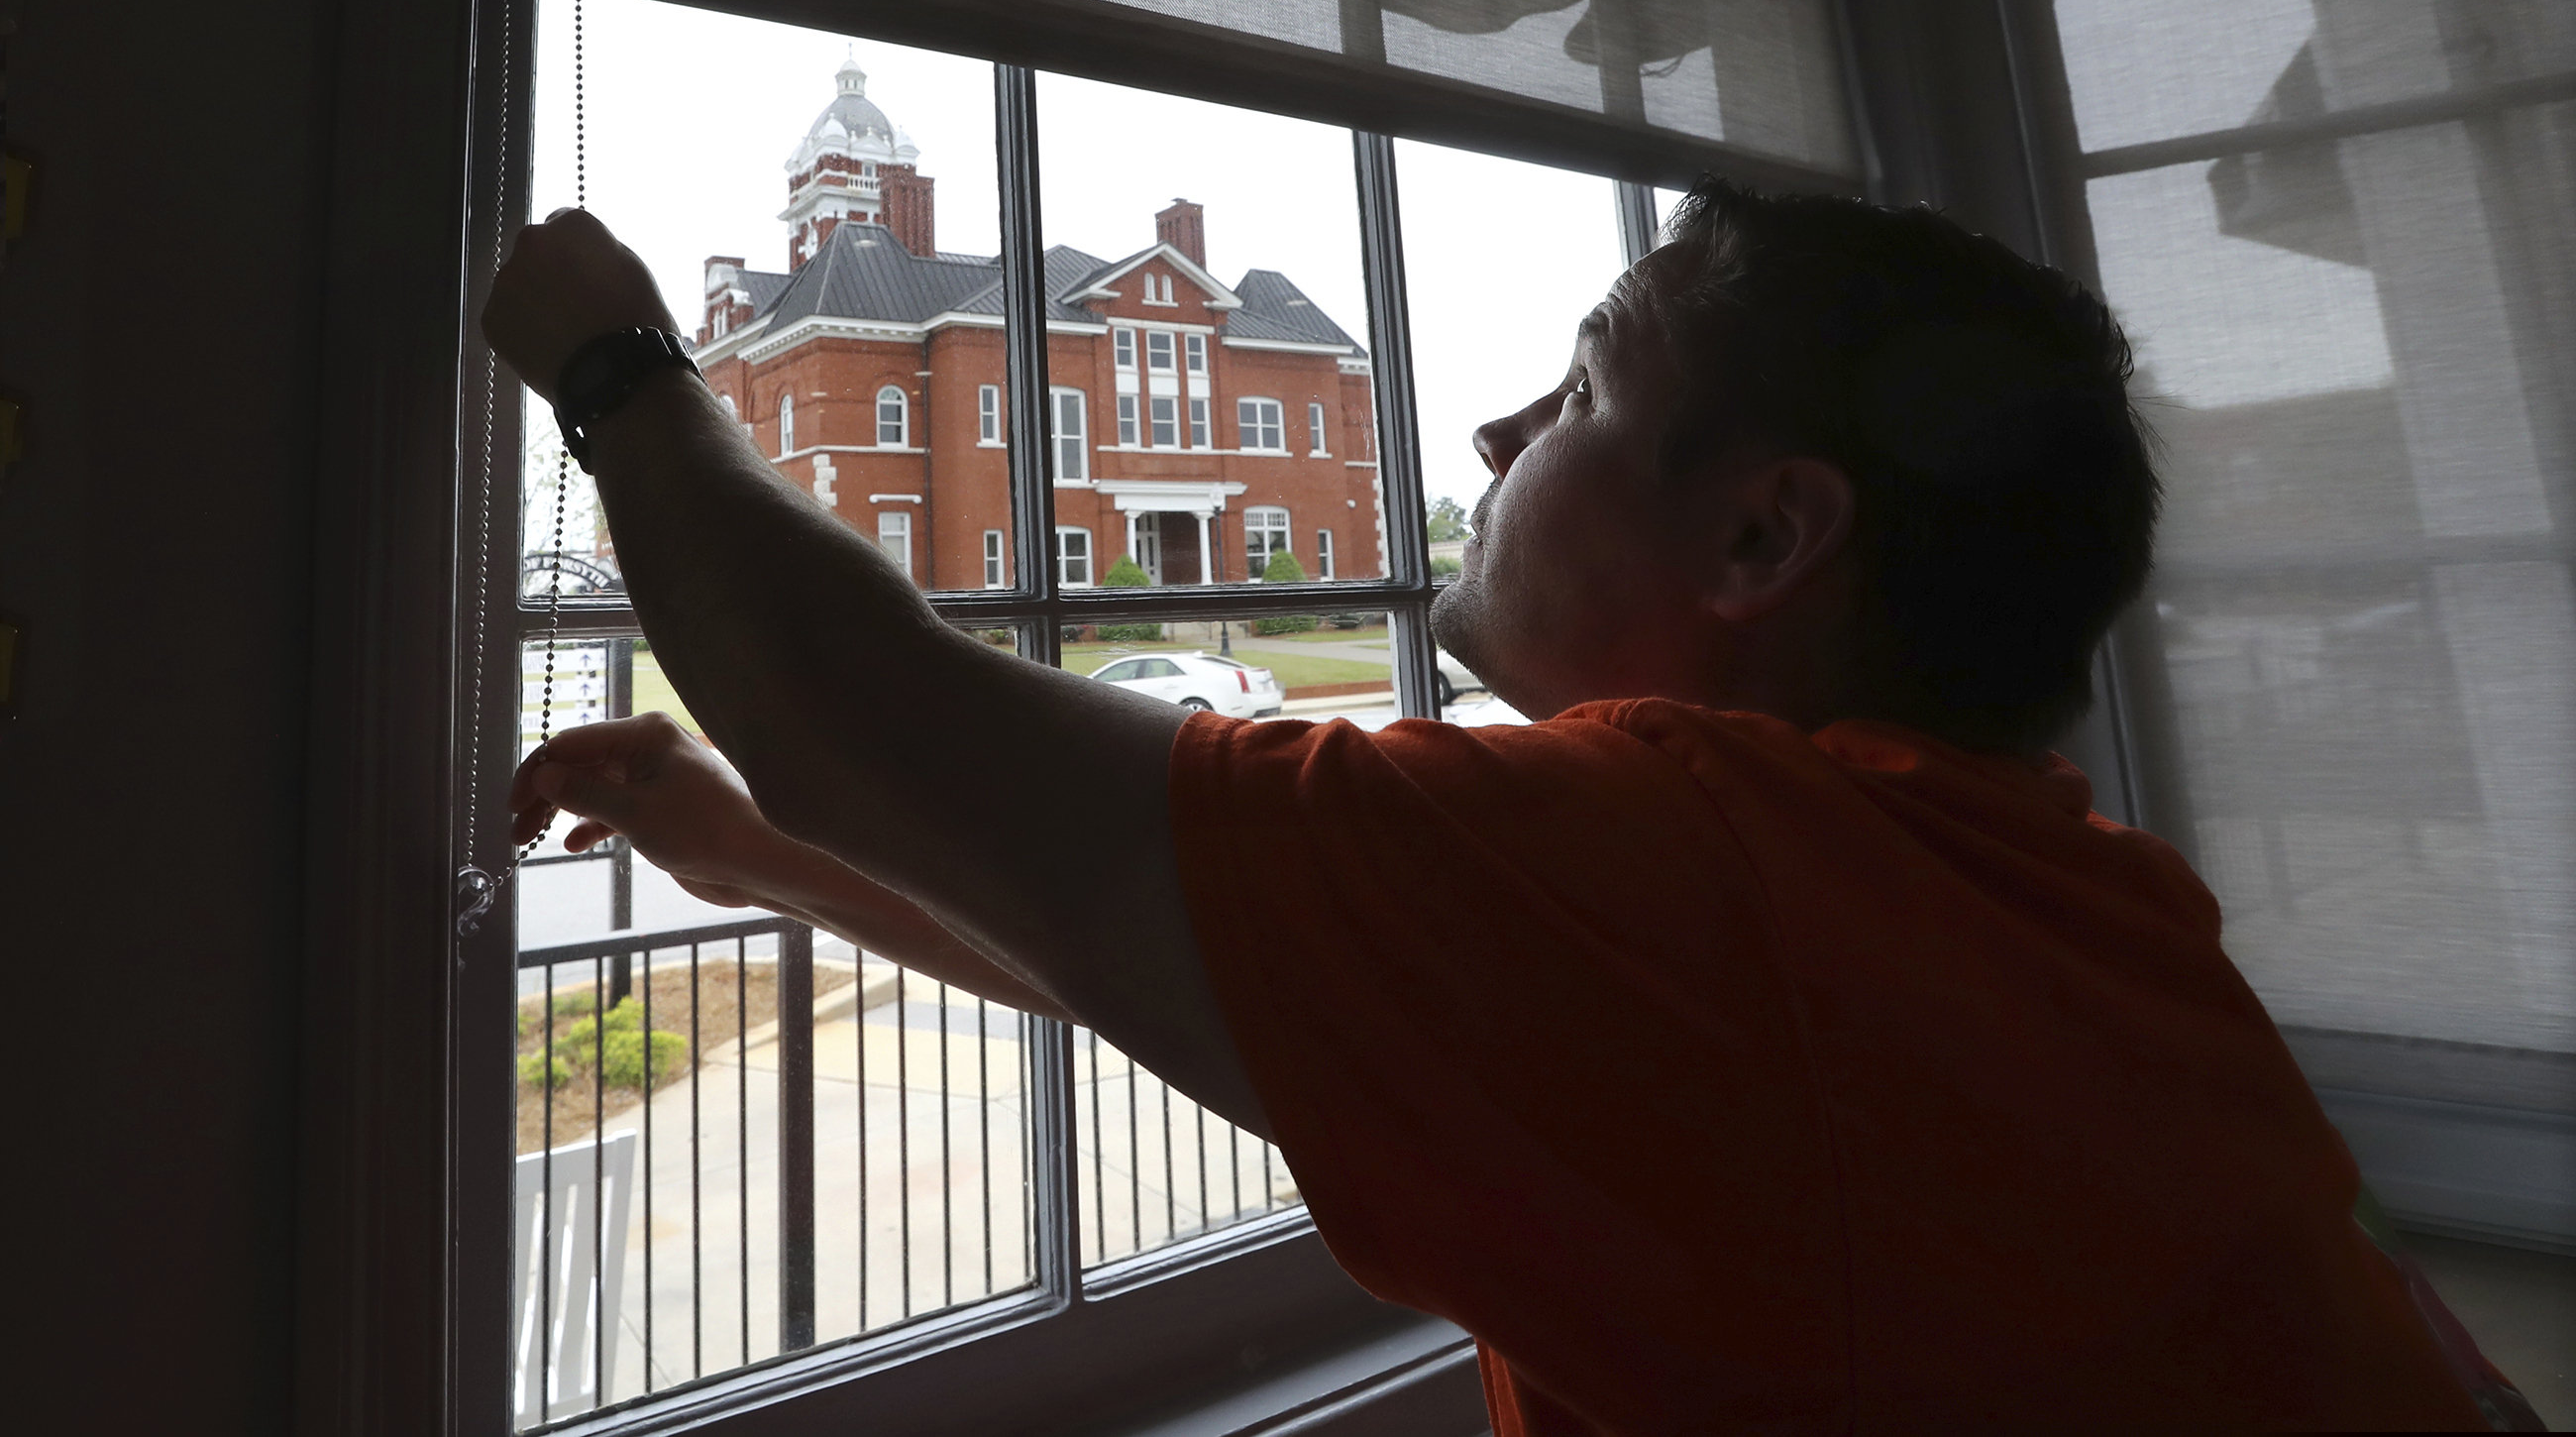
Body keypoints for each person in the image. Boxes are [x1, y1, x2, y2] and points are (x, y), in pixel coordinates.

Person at [486, 179, 2530, 1435]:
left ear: (1756, 532)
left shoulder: (1700, 873)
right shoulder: (2035, 892)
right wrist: (746, 847)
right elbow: (1163, 938)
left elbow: (876, 715)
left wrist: (614, 364)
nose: (1490, 430)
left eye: (1581, 385)